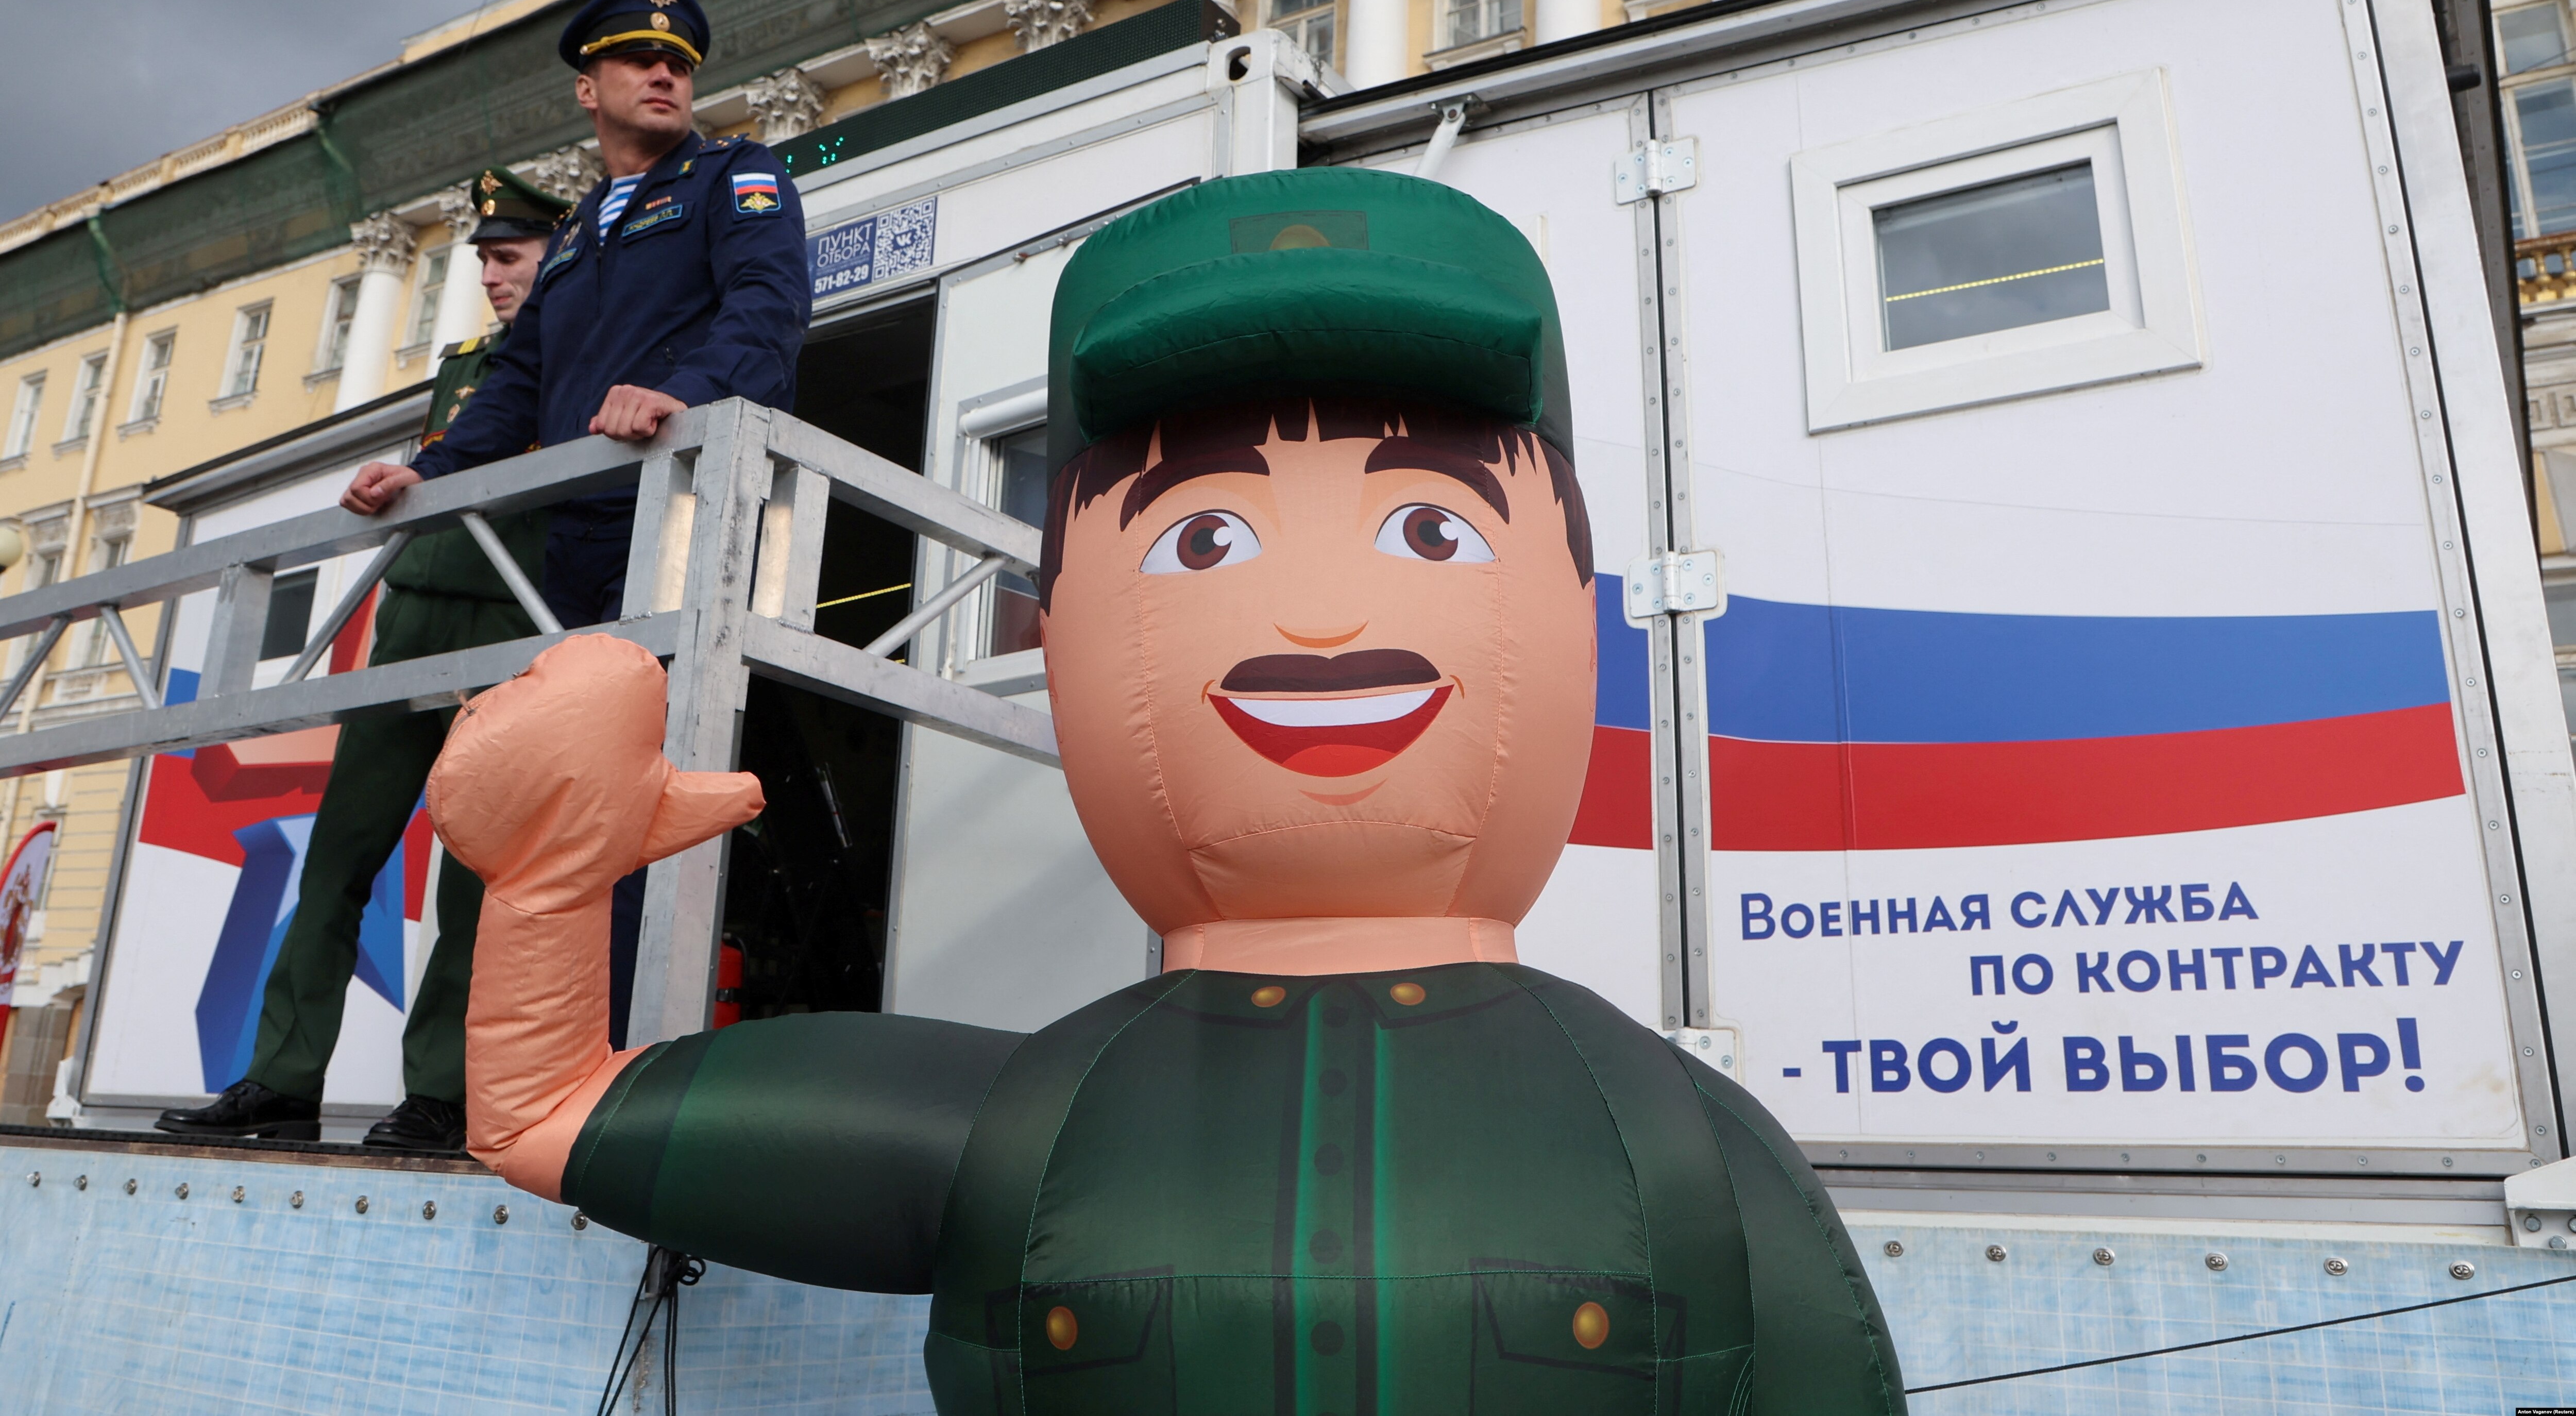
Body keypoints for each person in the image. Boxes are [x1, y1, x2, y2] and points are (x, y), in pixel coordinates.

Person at [426, 169, 1907, 1412]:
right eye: (1202, 538)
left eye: (1428, 527)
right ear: (1061, 631)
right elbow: (549, 1112)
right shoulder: (1037, 1119)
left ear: (1572, 605)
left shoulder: (1673, 1136)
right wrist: (550, 884)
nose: (1323, 621)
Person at [340, 0, 812, 1044]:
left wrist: (679, 393)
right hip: (571, 537)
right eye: (641, 59)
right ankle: (561, 1052)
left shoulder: (735, 176)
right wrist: (432, 467)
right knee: (568, 791)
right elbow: (521, 379)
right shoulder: (581, 228)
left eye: (680, 63)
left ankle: (630, 1054)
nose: (665, 74)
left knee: (646, 782)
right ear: (587, 90)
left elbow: (769, 311)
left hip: (681, 516)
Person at [157, 168, 568, 1151]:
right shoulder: (466, 362)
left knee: (474, 881)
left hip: (512, 623)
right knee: (338, 860)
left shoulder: (577, 352)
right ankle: (280, 1079)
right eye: (483, 261)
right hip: (413, 617)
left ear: (559, 257)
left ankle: (443, 1093)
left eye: (509, 257)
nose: (491, 277)